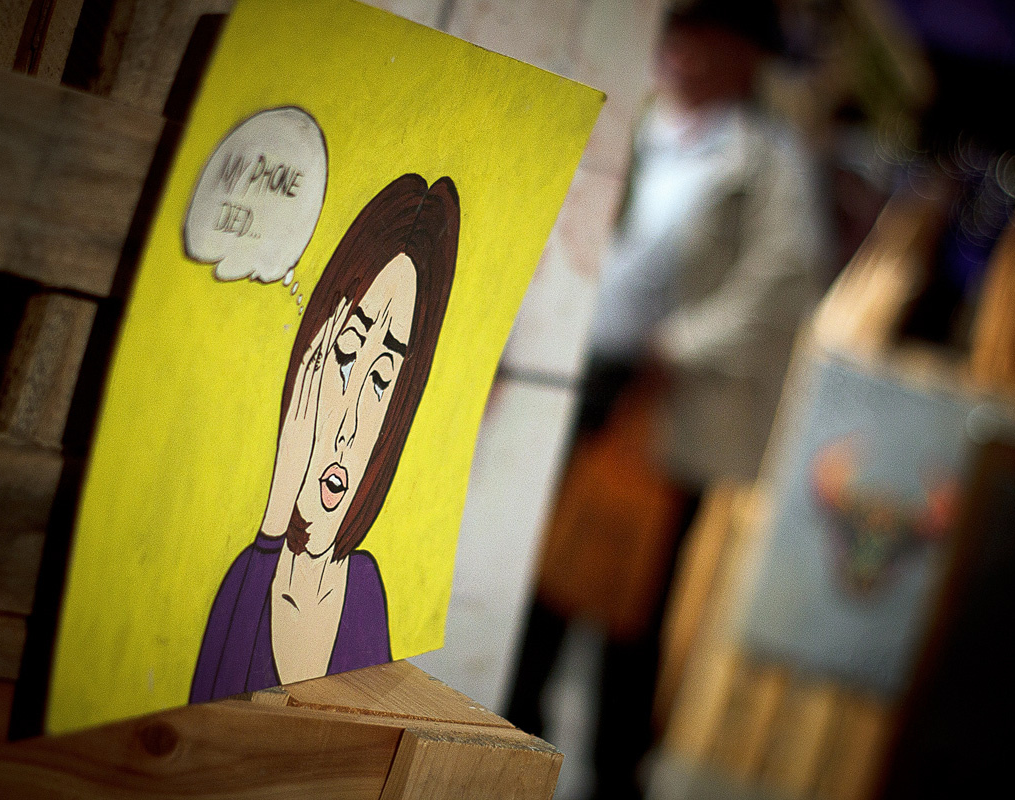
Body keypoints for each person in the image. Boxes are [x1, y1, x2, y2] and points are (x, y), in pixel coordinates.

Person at [506, 1, 827, 797]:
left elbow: (782, 283)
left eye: (703, 36)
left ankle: (616, 773)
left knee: (634, 607)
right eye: (676, 32)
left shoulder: (765, 159)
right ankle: (510, 744)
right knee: (544, 576)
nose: (681, 49)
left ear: (744, 55)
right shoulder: (640, 126)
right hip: (588, 384)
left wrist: (683, 345)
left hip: (668, 409)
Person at [191, 173, 459, 703]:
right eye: (345, 356)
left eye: (381, 379)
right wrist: (274, 522)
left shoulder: (365, 595)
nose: (349, 425)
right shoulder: (247, 579)